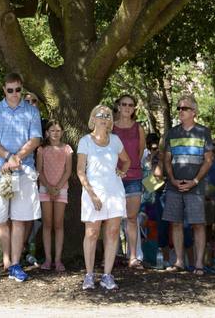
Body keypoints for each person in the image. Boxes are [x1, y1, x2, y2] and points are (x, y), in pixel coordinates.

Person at [0, 73, 43, 284]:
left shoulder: (32, 111)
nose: (15, 94)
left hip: (24, 172)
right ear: (3, 89)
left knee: (19, 220)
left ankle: (15, 264)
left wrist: (18, 158)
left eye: (18, 90)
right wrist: (8, 157)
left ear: (22, 88)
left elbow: (35, 139)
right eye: (10, 90)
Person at [76, 104, 129, 291]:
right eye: (100, 114)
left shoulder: (115, 140)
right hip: (93, 193)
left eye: (107, 115)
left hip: (115, 191)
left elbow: (127, 160)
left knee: (113, 232)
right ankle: (89, 275)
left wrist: (121, 171)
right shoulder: (85, 141)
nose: (104, 117)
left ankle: (107, 275)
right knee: (91, 233)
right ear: (93, 118)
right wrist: (92, 194)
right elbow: (80, 171)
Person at [160, 95, 213, 275]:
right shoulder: (172, 132)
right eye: (179, 108)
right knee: (175, 223)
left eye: (184, 108)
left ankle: (198, 264)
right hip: (175, 185)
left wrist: (195, 181)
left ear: (194, 112)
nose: (180, 111)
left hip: (196, 187)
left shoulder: (203, 132)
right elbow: (167, 159)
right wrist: (173, 179)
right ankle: (179, 261)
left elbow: (208, 160)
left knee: (198, 224)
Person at [111, 94, 145, 269]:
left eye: (130, 105)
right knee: (112, 218)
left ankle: (133, 257)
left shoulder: (138, 128)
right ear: (118, 106)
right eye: (124, 104)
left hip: (133, 177)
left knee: (131, 218)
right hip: (113, 177)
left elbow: (139, 153)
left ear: (134, 108)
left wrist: (130, 168)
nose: (127, 107)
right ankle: (112, 256)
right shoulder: (110, 127)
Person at [36, 120, 72, 272]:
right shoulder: (41, 149)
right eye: (52, 130)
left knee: (58, 224)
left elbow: (68, 171)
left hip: (61, 188)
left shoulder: (67, 149)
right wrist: (49, 188)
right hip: (45, 188)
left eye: (58, 130)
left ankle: (57, 260)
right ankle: (48, 259)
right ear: (47, 133)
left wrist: (57, 188)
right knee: (47, 224)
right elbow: (39, 170)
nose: (55, 133)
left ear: (62, 133)